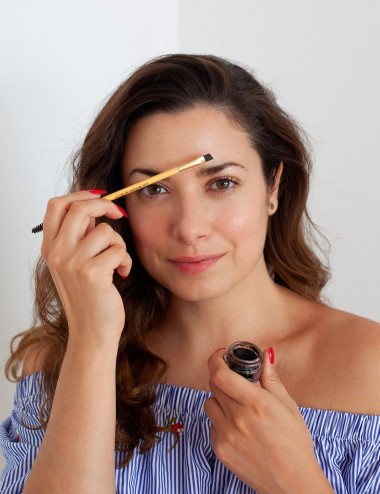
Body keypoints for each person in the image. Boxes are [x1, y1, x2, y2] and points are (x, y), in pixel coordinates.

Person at [0, 54, 379, 494]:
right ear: (114, 205)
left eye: (221, 183)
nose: (189, 228)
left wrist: (295, 481)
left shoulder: (369, 371)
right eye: (154, 189)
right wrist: (93, 340)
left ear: (273, 186)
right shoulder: (59, 364)